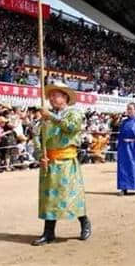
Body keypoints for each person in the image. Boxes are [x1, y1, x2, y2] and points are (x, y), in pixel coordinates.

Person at [32, 82, 91, 246]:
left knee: (71, 194)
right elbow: (36, 137)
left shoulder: (74, 113)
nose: (51, 98)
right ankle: (48, 232)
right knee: (49, 198)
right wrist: (39, 155)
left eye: (55, 95)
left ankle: (84, 222)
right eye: (50, 96)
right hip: (49, 161)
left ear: (64, 97)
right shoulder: (46, 117)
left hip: (66, 161)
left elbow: (71, 128)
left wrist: (50, 116)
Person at [117, 103, 135, 196]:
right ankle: (124, 187)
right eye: (128, 109)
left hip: (134, 147)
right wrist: (119, 147)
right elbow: (120, 135)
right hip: (124, 148)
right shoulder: (124, 122)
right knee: (123, 167)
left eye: (131, 109)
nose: (129, 110)